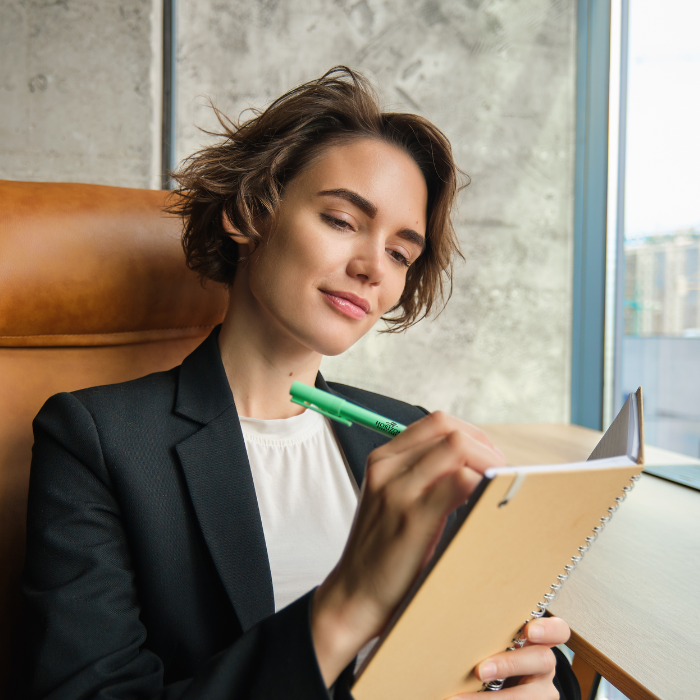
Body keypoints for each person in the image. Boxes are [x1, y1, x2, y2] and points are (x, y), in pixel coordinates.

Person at [22, 67, 580, 700]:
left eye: (402, 253)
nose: (373, 268)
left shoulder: (413, 434)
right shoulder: (96, 439)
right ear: (246, 214)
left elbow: (515, 646)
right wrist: (348, 602)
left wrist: (539, 682)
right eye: (342, 220)